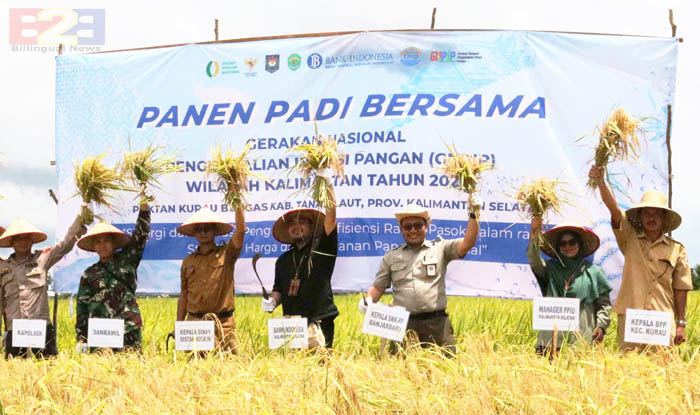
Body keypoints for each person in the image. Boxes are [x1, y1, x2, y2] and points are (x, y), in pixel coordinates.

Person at [589, 166, 691, 350]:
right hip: (631, 317)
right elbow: (613, 209)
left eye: (656, 213)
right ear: (640, 217)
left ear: (664, 217)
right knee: (629, 371)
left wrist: (681, 324)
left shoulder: (677, 250)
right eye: (647, 213)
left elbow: (681, 288)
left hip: (661, 320)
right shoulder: (629, 238)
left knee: (663, 371)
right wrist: (600, 181)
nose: (651, 217)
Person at [359, 200, 479, 355]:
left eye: (418, 225)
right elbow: (379, 286)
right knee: (403, 374)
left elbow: (468, 243)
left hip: (437, 324)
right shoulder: (391, 257)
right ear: (401, 229)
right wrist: (368, 300)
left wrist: (474, 213)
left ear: (426, 226)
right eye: (408, 227)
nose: (413, 230)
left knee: (444, 373)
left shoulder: (440, 249)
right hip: (403, 325)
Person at [262, 174, 339, 348]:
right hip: (290, 325)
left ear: (312, 227)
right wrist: (273, 301)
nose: (296, 226)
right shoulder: (283, 261)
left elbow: (331, 218)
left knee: (321, 369)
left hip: (318, 321)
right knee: (292, 372)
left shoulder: (322, 249)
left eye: (302, 221)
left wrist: (328, 183)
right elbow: (278, 289)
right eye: (292, 223)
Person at [0, 213, 86, 358]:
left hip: (41, 327)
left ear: (32, 241)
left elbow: (64, 245)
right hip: (14, 328)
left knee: (49, 369)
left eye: (26, 238)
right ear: (11, 242)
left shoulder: (42, 259)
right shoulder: (3, 268)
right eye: (18, 239)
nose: (22, 242)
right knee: (15, 373)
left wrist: (81, 218)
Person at [528, 218, 612, 355]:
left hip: (580, 342)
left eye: (572, 242)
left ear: (580, 244)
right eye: (563, 243)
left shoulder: (594, 272)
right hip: (549, 341)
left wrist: (601, 327)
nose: (568, 246)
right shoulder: (549, 269)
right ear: (558, 247)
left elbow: (604, 306)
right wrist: (534, 233)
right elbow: (534, 259)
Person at [75, 203, 150, 352]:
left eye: (106, 240)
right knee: (102, 371)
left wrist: (144, 210)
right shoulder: (88, 274)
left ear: (114, 243)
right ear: (94, 246)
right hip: (101, 332)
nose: (102, 245)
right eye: (98, 242)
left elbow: (140, 235)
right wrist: (82, 337)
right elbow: (82, 308)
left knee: (131, 368)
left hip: (128, 327)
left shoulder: (128, 260)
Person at [176, 206, 245, 352]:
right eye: (199, 229)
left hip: (223, 324)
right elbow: (184, 294)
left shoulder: (227, 255)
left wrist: (236, 199)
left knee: (229, 369)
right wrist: (179, 325)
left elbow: (240, 231)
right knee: (195, 370)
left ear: (214, 231)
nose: (203, 232)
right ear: (194, 233)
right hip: (195, 323)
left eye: (207, 228)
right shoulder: (188, 261)